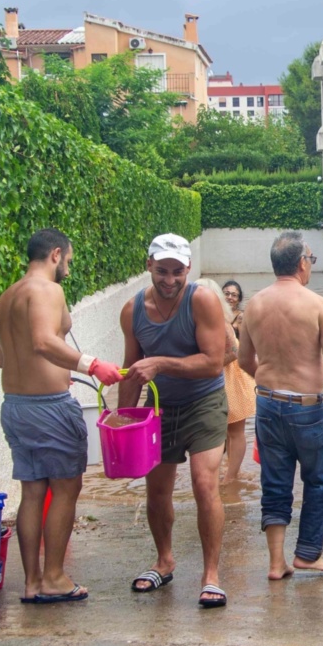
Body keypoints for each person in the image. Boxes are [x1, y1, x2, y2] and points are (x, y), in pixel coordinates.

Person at [0, 228, 122, 603]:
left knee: (32, 490)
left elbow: (4, 357)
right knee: (66, 488)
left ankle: (33, 582)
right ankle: (54, 576)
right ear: (55, 254)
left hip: (14, 405)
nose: (69, 265)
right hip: (49, 406)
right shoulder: (48, 290)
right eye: (69, 258)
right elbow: (44, 341)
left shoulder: (7, 297)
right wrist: (92, 365)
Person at [238, 233, 323, 579]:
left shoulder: (254, 304)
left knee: (275, 482)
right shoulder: (316, 304)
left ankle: (276, 562)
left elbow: (243, 360)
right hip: (307, 409)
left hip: (266, 405)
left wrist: (268, 385)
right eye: (310, 259)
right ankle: (308, 554)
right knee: (318, 479)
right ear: (301, 264)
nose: (311, 264)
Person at [118, 234, 231, 608]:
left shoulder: (202, 300)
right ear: (148, 264)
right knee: (157, 489)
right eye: (162, 271)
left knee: (204, 482)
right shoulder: (132, 311)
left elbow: (214, 362)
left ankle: (211, 574)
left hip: (204, 401)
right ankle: (164, 560)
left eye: (177, 272)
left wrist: (161, 362)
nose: (169, 280)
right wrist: (123, 422)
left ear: (189, 269)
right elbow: (133, 371)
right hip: (159, 407)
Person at [217, 279, 257, 484]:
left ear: (239, 299)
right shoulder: (215, 316)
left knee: (235, 426)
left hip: (234, 372)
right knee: (223, 429)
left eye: (234, 294)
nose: (230, 297)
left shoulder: (240, 318)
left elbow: (245, 348)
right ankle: (230, 469)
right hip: (220, 373)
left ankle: (232, 475)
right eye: (227, 293)